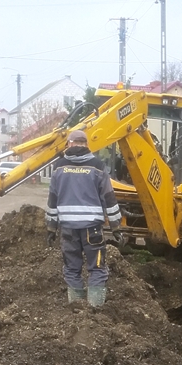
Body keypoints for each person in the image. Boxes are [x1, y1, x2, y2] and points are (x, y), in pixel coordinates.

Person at [45, 129, 125, 307]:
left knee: (72, 268)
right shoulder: (97, 165)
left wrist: (51, 227)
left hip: (68, 229)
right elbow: (109, 197)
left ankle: (76, 309)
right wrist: (116, 227)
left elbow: (52, 199)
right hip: (93, 229)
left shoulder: (59, 166)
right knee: (96, 268)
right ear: (87, 144)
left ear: (70, 144)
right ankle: (94, 311)